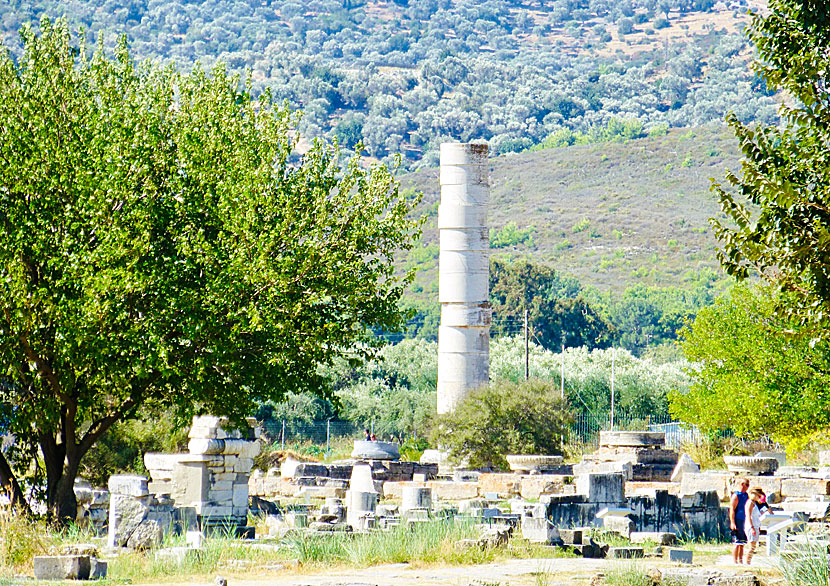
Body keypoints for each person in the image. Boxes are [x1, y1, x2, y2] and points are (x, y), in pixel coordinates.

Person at [729, 478, 750, 564]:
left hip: (744, 519)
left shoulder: (746, 495)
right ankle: (735, 561)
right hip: (738, 519)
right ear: (742, 484)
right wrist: (732, 522)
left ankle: (741, 560)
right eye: (746, 485)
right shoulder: (736, 495)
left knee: (742, 543)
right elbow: (732, 509)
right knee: (737, 542)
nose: (747, 487)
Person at [744, 488, 765, 565]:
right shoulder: (749, 503)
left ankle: (748, 561)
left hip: (756, 525)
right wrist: (752, 527)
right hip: (751, 526)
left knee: (753, 546)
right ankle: (747, 562)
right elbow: (748, 515)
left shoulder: (754, 503)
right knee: (751, 546)